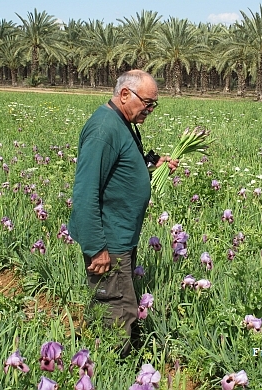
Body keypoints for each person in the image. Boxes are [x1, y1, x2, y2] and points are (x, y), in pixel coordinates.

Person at [68, 69, 177, 355]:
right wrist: (96, 247)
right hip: (109, 240)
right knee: (116, 306)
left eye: (155, 104)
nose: (151, 110)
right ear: (125, 94)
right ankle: (112, 362)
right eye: (148, 103)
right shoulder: (104, 129)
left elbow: (122, 168)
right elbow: (85, 191)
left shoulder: (120, 123)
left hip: (121, 235)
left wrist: (154, 163)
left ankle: (108, 354)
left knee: (122, 299)